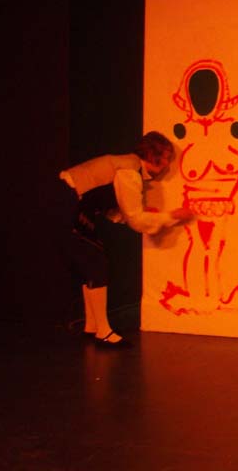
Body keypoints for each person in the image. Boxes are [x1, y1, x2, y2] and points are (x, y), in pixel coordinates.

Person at [56, 131, 193, 348]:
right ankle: (103, 331)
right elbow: (135, 219)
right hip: (68, 202)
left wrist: (147, 216)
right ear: (153, 154)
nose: (168, 165)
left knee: (91, 265)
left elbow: (117, 210)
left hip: (73, 204)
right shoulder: (129, 171)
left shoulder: (128, 168)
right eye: (167, 157)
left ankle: (93, 326)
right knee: (95, 264)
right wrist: (171, 216)